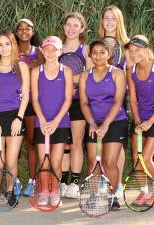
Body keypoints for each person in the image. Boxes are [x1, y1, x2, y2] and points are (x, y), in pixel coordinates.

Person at [0, 32, 30, 206]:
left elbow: (25, 96)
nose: (4, 48)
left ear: (13, 46)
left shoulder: (21, 67)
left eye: (7, 44)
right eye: (0, 45)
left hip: (15, 117)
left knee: (11, 160)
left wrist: (19, 117)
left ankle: (10, 193)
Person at [79, 39, 127, 210]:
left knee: (109, 162)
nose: (98, 56)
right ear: (90, 55)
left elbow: (117, 102)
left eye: (102, 52)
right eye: (95, 53)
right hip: (93, 121)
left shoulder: (117, 73)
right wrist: (92, 123)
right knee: (93, 162)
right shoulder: (85, 75)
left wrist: (105, 124)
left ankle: (111, 196)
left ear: (109, 54)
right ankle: (93, 195)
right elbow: (84, 103)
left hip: (115, 121)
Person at [125, 35, 154, 207]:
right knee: (137, 158)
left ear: (146, 50)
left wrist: (150, 122)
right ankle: (145, 191)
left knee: (145, 157)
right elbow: (133, 100)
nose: (134, 53)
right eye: (131, 50)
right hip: (140, 120)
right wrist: (138, 122)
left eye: (137, 50)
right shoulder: (131, 71)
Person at [31, 36, 73, 206]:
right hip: (41, 122)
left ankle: (55, 192)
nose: (50, 53)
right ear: (42, 50)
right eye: (46, 49)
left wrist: (55, 121)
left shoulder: (67, 72)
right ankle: (44, 191)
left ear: (60, 51)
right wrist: (42, 120)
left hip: (61, 122)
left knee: (56, 162)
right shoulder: (36, 72)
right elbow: (34, 99)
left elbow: (68, 100)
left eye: (54, 49)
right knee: (44, 162)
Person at [98, 6, 131, 197]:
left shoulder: (126, 46)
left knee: (117, 145)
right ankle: (106, 180)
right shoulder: (97, 44)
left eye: (113, 18)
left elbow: (131, 75)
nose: (109, 22)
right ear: (102, 21)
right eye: (106, 18)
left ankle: (117, 184)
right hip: (98, 100)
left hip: (118, 100)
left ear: (119, 22)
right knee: (102, 142)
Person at [59, 12, 92, 199]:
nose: (71, 28)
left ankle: (76, 183)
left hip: (78, 101)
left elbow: (89, 74)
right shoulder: (57, 47)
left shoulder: (86, 49)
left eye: (75, 25)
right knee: (63, 143)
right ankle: (63, 181)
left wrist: (69, 81)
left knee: (77, 142)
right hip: (59, 102)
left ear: (82, 29)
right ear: (64, 27)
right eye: (68, 24)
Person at [14, 18, 44, 196]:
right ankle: (14, 180)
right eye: (20, 28)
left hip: (32, 102)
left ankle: (32, 181)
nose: (24, 31)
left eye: (28, 28)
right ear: (16, 31)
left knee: (32, 142)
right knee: (13, 144)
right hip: (12, 103)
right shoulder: (10, 50)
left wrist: (29, 65)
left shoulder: (39, 51)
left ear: (33, 32)